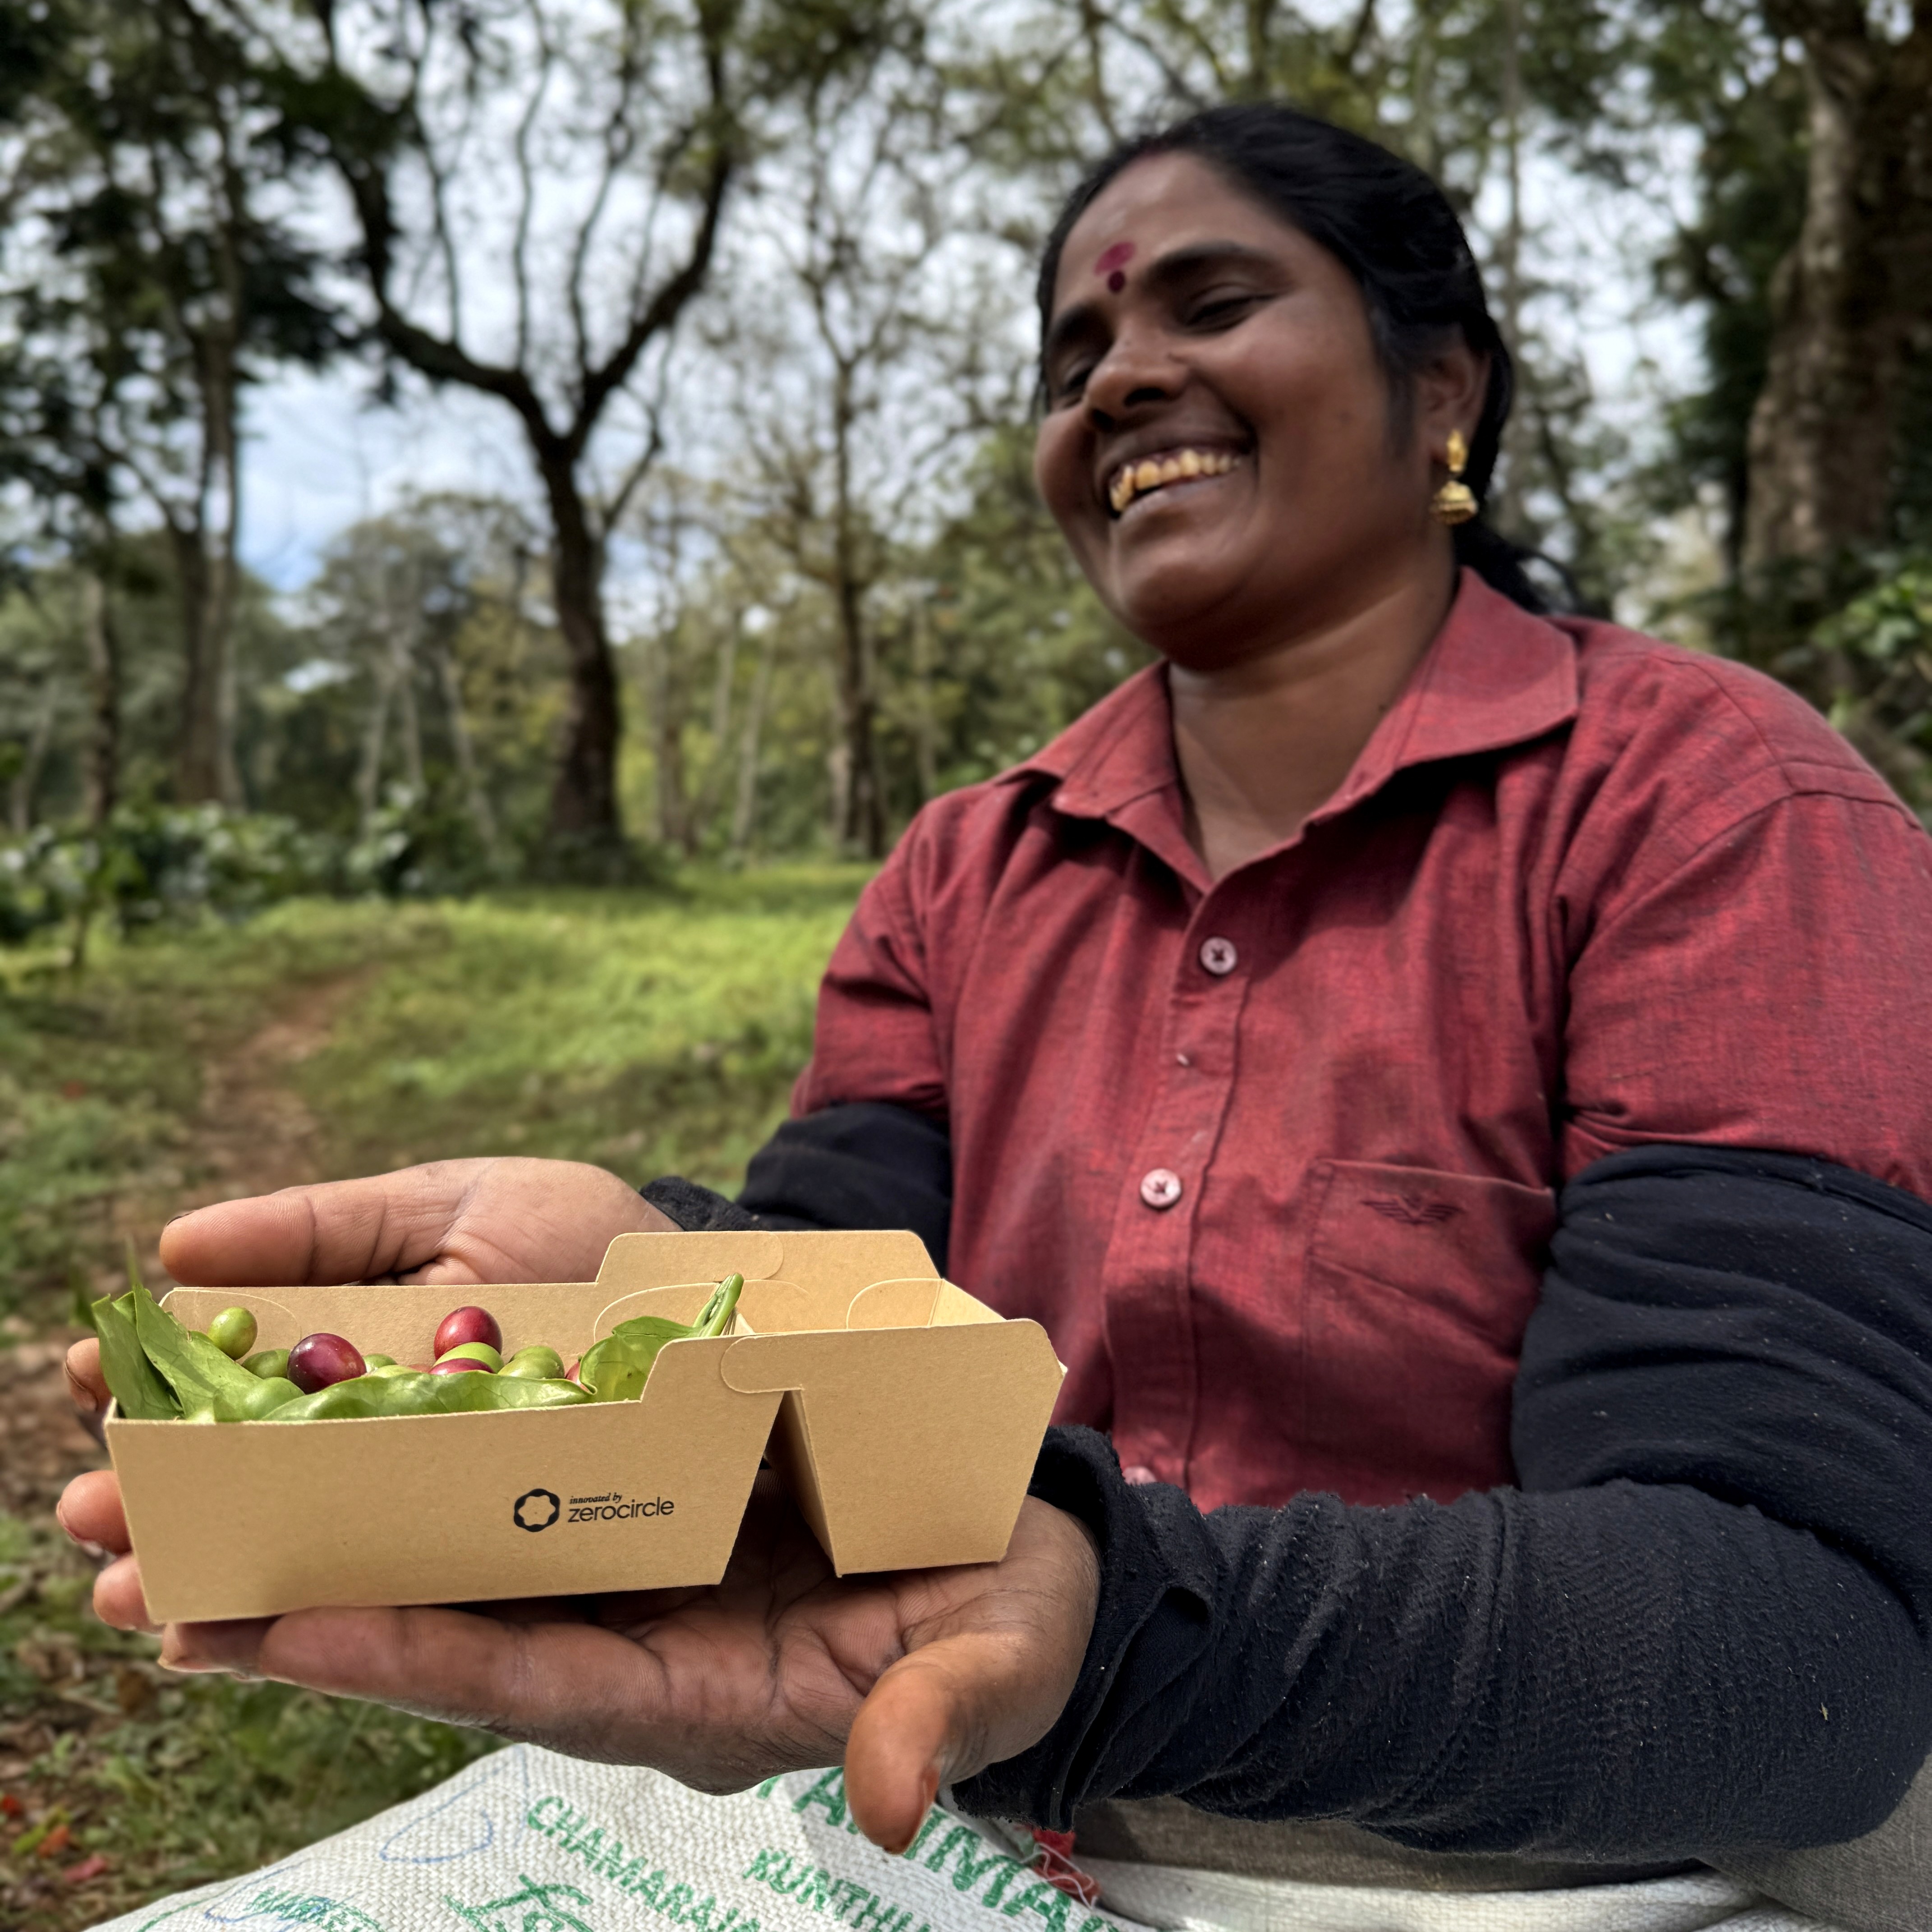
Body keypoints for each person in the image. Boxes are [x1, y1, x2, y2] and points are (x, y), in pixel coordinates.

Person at [60, 104, 1932, 1932]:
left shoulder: (1712, 808)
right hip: (979, 1780)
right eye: (1076, 353)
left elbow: (1798, 1629)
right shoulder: (971, 870)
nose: (1120, 377)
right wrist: (655, 1279)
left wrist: (1114, 1620)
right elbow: (838, 1296)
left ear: (1441, 388)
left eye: (1208, 305)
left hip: (1538, 1862)